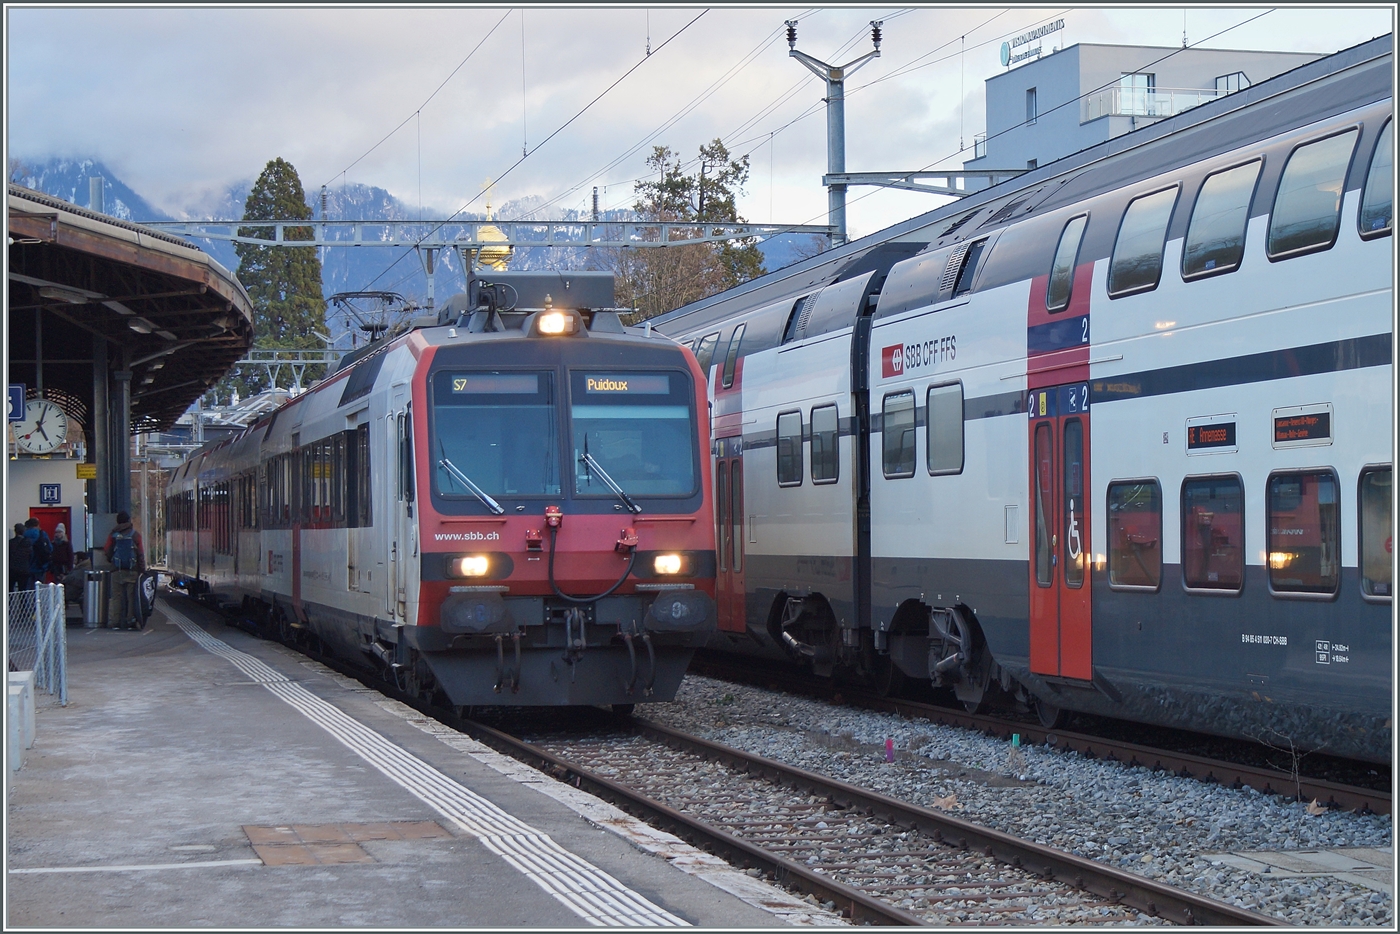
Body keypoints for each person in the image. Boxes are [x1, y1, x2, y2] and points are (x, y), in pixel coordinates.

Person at [104, 512, 145, 629]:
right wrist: (141, 569)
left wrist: (112, 561)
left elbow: (107, 550)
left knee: (116, 596)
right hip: (132, 570)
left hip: (117, 571)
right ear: (128, 521)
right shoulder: (135, 535)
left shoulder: (113, 535)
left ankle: (115, 622)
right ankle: (130, 621)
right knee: (131, 597)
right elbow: (140, 554)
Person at [24, 518, 52, 586]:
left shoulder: (24, 535)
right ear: (37, 525)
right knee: (40, 587)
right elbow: (50, 548)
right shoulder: (42, 534)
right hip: (41, 565)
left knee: (28, 588)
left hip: (28, 565)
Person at [9, 523, 33, 592]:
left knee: (10, 590)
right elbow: (31, 556)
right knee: (23, 590)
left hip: (12, 569)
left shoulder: (10, 543)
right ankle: (23, 602)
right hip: (24, 570)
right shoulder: (28, 543)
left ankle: (10, 602)